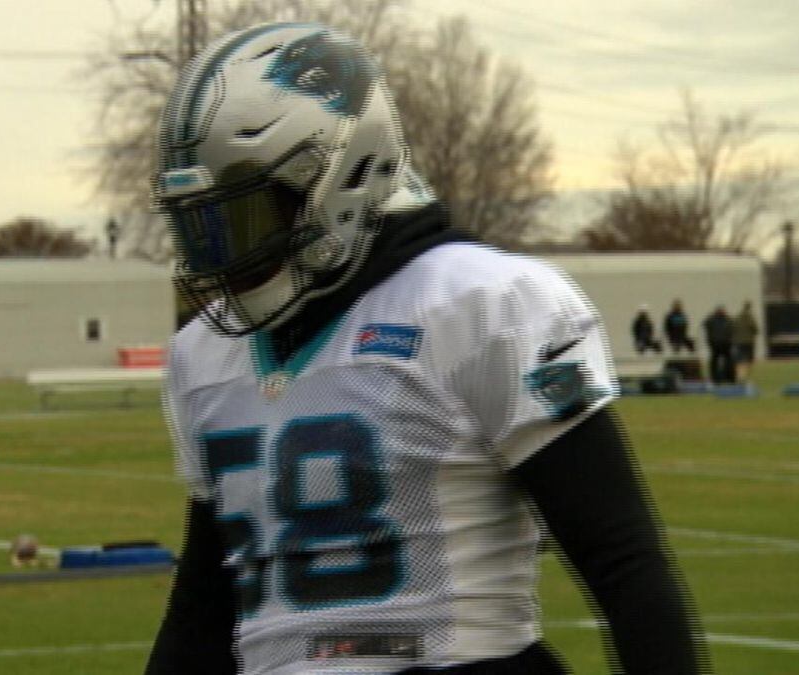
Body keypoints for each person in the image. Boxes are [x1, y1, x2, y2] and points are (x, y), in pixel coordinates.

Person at [146, 23, 708, 674]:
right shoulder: (204, 354)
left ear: (340, 173)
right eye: (201, 228)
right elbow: (203, 610)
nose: (223, 255)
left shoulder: (478, 304)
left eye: (242, 219)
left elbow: (622, 560)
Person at [703, 306, 735, 384]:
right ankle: (728, 378)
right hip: (721, 343)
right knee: (725, 361)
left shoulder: (712, 319)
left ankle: (718, 378)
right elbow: (732, 330)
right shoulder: (727, 319)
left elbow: (706, 325)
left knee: (717, 361)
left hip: (719, 343)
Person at [732, 301, 759, 383]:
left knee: (739, 360)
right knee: (748, 360)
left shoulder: (737, 317)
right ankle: (746, 377)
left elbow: (732, 328)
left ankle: (739, 376)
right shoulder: (750, 318)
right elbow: (755, 329)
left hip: (738, 342)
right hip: (749, 342)